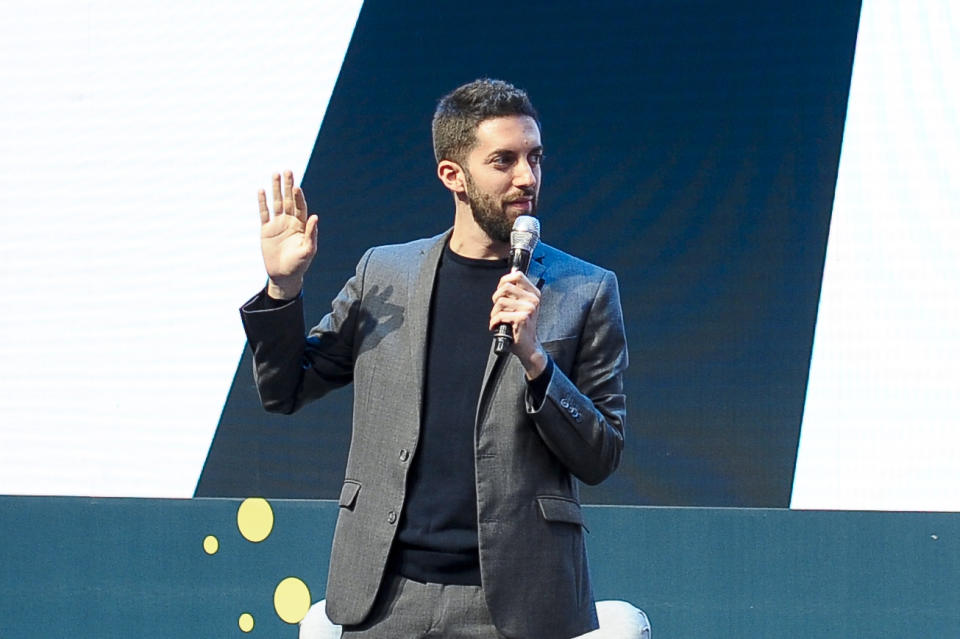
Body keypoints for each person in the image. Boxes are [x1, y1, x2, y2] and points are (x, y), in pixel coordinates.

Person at [241, 78, 628, 639]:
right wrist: (283, 290)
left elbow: (602, 455)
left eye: (535, 158)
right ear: (454, 176)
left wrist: (538, 361)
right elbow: (285, 389)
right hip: (386, 596)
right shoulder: (385, 274)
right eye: (504, 161)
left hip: (515, 605)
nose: (527, 178)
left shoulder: (584, 290)